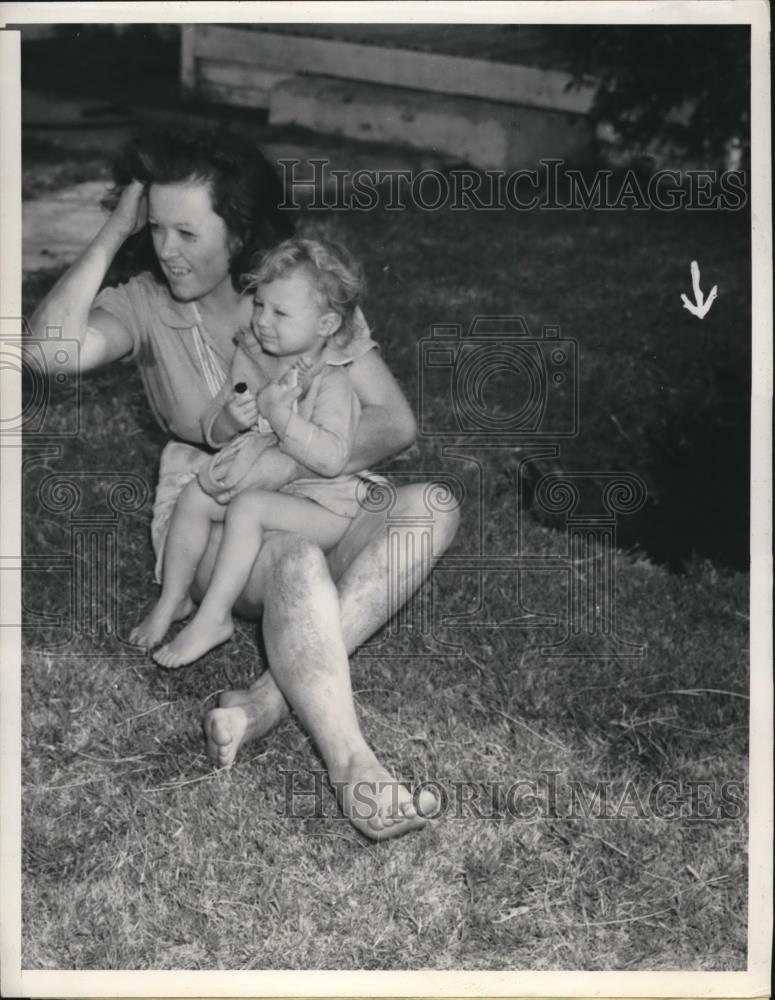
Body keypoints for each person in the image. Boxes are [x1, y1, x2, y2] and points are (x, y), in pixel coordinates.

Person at [28, 127, 459, 842]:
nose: (166, 249)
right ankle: (353, 767)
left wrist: (295, 456)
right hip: (210, 500)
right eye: (155, 228)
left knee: (432, 507)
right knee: (291, 557)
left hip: (319, 480)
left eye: (187, 232)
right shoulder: (143, 304)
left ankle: (262, 704)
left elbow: (393, 423)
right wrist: (111, 232)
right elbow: (46, 353)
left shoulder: (300, 294)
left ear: (238, 234)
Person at [139, 236, 380, 670]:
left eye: (280, 312)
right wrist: (230, 418)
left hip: (323, 502)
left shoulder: (333, 383)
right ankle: (173, 599)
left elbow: (331, 459)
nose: (263, 320)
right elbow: (214, 426)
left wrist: (282, 418)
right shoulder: (253, 355)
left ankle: (214, 618)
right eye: (260, 305)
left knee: (247, 509)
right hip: (273, 479)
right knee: (194, 497)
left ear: (325, 325)